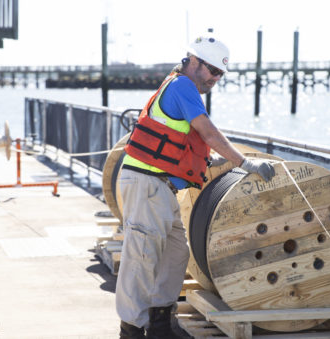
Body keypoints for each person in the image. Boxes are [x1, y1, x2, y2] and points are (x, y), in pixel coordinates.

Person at [116, 35, 275, 339]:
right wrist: (244, 162)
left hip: (160, 187)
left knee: (176, 253)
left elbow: (181, 144)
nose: (215, 79)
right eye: (212, 70)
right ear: (194, 61)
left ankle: (161, 322)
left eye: (220, 74)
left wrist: (209, 162)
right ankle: (131, 329)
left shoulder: (179, 86)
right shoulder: (182, 86)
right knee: (142, 257)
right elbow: (208, 132)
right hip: (147, 183)